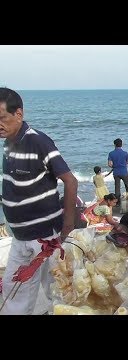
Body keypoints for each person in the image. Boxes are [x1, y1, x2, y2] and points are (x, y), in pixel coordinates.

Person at [0, 87, 78, 314]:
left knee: (59, 290)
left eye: (2, 118)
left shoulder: (39, 142)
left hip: (46, 238)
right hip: (20, 236)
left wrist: (67, 227)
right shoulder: (9, 143)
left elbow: (70, 181)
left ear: (19, 114)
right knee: (15, 289)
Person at [108, 138, 128, 207]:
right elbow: (127, 162)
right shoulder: (125, 153)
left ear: (114, 145)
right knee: (127, 186)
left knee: (117, 188)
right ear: (121, 145)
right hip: (124, 171)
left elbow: (109, 164)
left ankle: (118, 203)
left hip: (116, 172)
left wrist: (114, 166)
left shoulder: (111, 153)